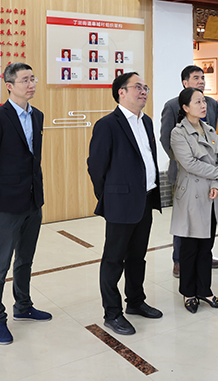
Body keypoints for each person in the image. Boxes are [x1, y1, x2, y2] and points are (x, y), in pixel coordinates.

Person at [0, 62, 51, 345]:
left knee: (25, 259)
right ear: (9, 85)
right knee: (0, 264)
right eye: (24, 80)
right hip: (6, 203)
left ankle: (23, 306)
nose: (31, 84)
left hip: (33, 200)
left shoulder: (37, 115)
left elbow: (33, 159)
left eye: (33, 79)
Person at [87, 72, 163, 336]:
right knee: (113, 259)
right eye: (137, 87)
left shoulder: (147, 121)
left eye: (145, 87)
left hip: (146, 198)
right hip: (120, 203)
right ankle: (112, 313)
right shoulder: (107, 124)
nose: (143, 91)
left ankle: (136, 301)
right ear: (121, 92)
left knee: (137, 257)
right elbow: (96, 167)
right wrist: (109, 197)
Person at [169, 88, 218, 313]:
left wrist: (216, 184)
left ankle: (205, 291)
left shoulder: (209, 129)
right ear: (185, 107)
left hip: (211, 193)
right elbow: (190, 164)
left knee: (206, 247)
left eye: (204, 101)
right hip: (191, 195)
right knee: (189, 248)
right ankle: (189, 293)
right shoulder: (178, 133)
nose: (203, 105)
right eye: (197, 102)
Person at [160, 65, 218, 278]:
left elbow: (213, 139)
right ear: (185, 83)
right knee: (185, 219)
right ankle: (179, 260)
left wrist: (212, 169)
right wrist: (184, 161)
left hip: (208, 173)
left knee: (207, 215)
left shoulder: (211, 104)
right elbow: (165, 139)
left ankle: (204, 255)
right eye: (196, 78)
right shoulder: (172, 105)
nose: (201, 81)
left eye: (203, 77)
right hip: (184, 173)